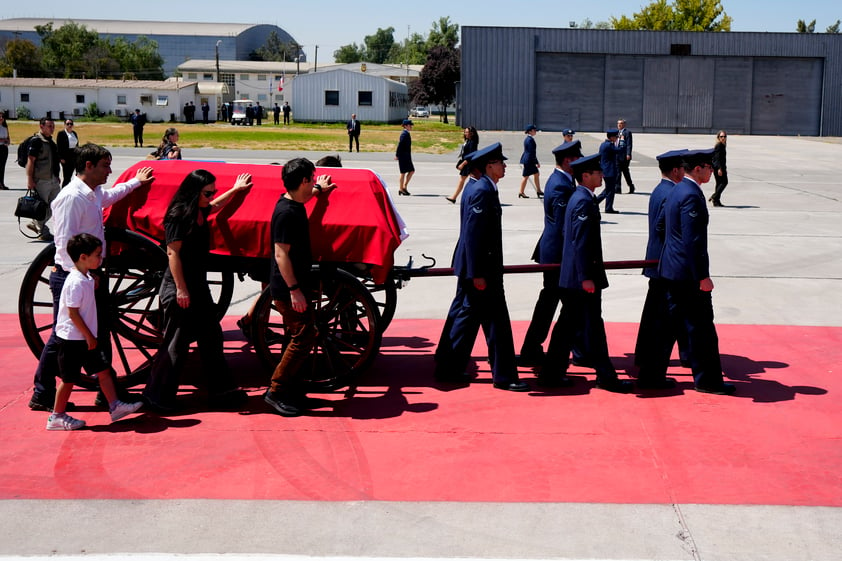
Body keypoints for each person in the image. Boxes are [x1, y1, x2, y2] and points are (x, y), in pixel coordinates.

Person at [29, 143, 155, 412]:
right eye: (105, 166)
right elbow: (64, 243)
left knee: (99, 329)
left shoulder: (92, 192)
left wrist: (135, 183)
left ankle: (104, 391)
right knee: (62, 337)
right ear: (89, 166)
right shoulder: (71, 197)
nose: (110, 171)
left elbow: (108, 196)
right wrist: (82, 276)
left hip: (89, 274)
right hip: (72, 277)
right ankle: (42, 392)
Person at [143, 170, 253, 412]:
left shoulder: (199, 210)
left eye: (212, 191)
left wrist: (235, 189)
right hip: (180, 285)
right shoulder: (178, 215)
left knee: (212, 336)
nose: (211, 196)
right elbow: (173, 254)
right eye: (207, 192)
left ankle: (220, 391)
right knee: (176, 342)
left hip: (198, 284)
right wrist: (181, 289)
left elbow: (213, 206)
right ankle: (157, 396)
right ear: (194, 192)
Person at [434, 143, 529, 392]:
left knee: (466, 317)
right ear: (489, 166)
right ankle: (504, 375)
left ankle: (449, 366)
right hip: (481, 269)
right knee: (496, 322)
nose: (505, 166)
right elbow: (474, 235)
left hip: (478, 267)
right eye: (501, 163)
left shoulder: (481, 187)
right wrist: (477, 273)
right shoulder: (482, 191)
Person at [542, 154, 634, 393]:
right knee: (589, 327)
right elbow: (581, 243)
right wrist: (586, 277)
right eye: (597, 172)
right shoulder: (582, 200)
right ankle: (604, 376)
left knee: (571, 327)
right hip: (580, 279)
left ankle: (553, 372)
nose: (602, 175)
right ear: (586, 176)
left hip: (577, 277)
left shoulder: (581, 197)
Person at [45, 233, 144, 430]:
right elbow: (72, 313)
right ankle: (56, 416)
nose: (101, 258)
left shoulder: (86, 277)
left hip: (85, 337)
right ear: (83, 257)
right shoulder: (75, 282)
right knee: (68, 380)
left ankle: (115, 406)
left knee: (104, 371)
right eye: (97, 255)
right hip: (73, 339)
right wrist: (89, 336)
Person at [264, 158, 338, 416]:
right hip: (288, 288)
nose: (315, 181)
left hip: (294, 284)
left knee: (298, 335)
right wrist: (294, 290)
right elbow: (280, 255)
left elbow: (303, 198)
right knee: (304, 336)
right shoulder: (286, 213)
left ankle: (292, 390)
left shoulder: (292, 202)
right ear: (304, 180)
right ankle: (276, 391)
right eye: (314, 179)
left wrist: (320, 190)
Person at [660, 148, 736, 395]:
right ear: (698, 168)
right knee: (702, 330)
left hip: (674, 269)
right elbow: (693, 241)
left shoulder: (678, 189)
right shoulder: (691, 194)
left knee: (669, 325)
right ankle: (708, 380)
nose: (712, 171)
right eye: (709, 167)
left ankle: (652, 373)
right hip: (687, 274)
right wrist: (702, 276)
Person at [518, 139, 584, 368]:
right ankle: (565, 351)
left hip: (557, 252)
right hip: (558, 254)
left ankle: (533, 349)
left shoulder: (564, 181)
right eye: (577, 159)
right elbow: (563, 225)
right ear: (568, 160)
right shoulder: (560, 185)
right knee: (567, 303)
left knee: (553, 302)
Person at [633, 149, 690, 389]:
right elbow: (661, 226)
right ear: (676, 170)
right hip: (665, 263)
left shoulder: (660, 189)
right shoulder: (671, 193)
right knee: (667, 317)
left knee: (653, 314)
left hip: (655, 259)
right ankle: (662, 363)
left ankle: (644, 356)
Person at [25, 117, 61, 241]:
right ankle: (42, 230)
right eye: (49, 126)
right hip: (41, 180)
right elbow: (30, 161)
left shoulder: (51, 142)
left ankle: (36, 224)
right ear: (41, 126)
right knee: (42, 206)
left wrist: (56, 176)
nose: (52, 128)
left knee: (57, 204)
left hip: (52, 179)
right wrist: (30, 179)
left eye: (53, 126)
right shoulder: (36, 141)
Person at [445, 126, 479, 204]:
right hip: (466, 162)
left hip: (469, 164)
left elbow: (471, 155)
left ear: (472, 133)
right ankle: (454, 197)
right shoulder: (468, 141)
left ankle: (454, 197)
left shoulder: (472, 142)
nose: (465, 133)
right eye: (465, 132)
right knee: (471, 180)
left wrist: (462, 164)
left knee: (465, 180)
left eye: (467, 132)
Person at [597, 129, 621, 214]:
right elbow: (619, 150)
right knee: (610, 190)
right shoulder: (609, 145)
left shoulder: (603, 144)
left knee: (608, 189)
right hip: (610, 171)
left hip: (605, 170)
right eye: (616, 137)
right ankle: (608, 207)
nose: (617, 138)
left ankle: (596, 202)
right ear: (611, 137)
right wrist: (622, 143)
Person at [518, 124, 543, 198]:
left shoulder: (528, 139)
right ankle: (521, 192)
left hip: (529, 160)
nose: (535, 131)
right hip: (529, 160)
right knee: (526, 176)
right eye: (534, 130)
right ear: (530, 131)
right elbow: (531, 152)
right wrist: (536, 162)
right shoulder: (530, 140)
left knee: (536, 174)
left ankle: (538, 190)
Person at [56, 119, 79, 187]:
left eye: (71, 124)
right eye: (68, 124)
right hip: (65, 157)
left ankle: (69, 188)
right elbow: (59, 146)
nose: (69, 125)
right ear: (65, 125)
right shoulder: (61, 133)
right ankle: (64, 189)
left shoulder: (74, 133)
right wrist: (60, 158)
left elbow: (77, 145)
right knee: (67, 176)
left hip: (73, 156)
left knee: (72, 174)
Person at [395, 119, 414, 196]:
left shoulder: (406, 133)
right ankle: (401, 188)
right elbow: (400, 145)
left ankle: (404, 187)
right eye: (410, 125)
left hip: (407, 156)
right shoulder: (404, 134)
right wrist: (397, 155)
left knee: (411, 171)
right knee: (403, 173)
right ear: (405, 126)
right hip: (403, 156)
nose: (411, 126)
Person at [616, 118, 635, 193]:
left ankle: (631, 186)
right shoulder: (616, 132)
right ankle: (617, 188)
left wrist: (628, 154)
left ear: (624, 125)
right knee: (617, 173)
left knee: (625, 172)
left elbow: (629, 144)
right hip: (617, 156)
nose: (619, 125)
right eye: (618, 123)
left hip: (624, 156)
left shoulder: (627, 132)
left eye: (620, 123)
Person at [710, 130, 728, 207]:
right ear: (718, 137)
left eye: (724, 136)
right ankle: (714, 197)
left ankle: (716, 201)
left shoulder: (723, 145)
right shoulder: (719, 145)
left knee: (719, 183)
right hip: (718, 167)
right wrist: (719, 168)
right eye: (721, 136)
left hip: (721, 167)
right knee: (724, 182)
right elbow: (717, 158)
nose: (723, 138)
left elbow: (722, 158)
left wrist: (724, 167)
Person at [0, 112, 10, 190]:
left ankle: (1, 183)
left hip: (4, 148)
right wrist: (3, 139)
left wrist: (8, 140)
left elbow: (8, 137)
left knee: (2, 167)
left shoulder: (5, 127)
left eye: (2, 117)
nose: (1, 119)